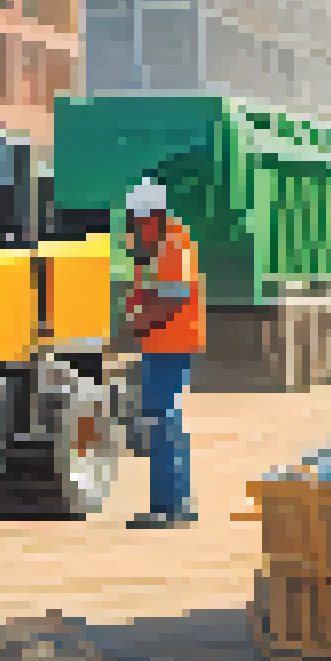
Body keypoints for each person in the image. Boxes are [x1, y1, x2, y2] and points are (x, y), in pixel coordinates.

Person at [122, 178, 203, 529]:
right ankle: (166, 506)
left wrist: (139, 323)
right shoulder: (154, 246)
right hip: (158, 345)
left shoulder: (174, 245)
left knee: (165, 421)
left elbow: (174, 296)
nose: (134, 227)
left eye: (138, 221)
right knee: (158, 422)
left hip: (172, 344)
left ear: (154, 215)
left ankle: (172, 508)